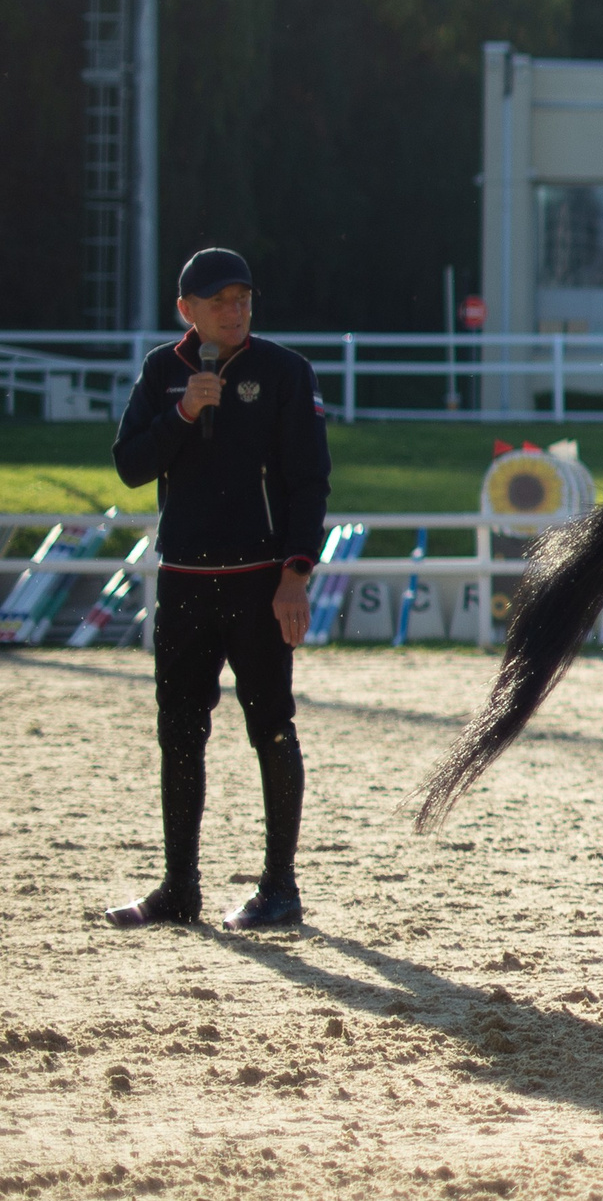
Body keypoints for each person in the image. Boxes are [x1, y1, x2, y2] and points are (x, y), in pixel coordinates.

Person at [106, 248, 331, 931]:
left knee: (272, 729)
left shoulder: (285, 373)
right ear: (187, 310)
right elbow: (129, 467)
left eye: (243, 299)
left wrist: (295, 573)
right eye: (219, 301)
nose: (234, 312)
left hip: (260, 584)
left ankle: (280, 888)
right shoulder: (161, 372)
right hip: (182, 582)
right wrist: (180, 415)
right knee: (179, 731)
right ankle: (180, 888)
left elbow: (308, 480)